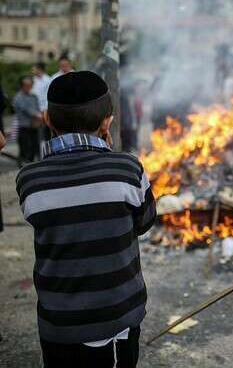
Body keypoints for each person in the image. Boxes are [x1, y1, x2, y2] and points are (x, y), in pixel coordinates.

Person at [15, 71, 156, 367]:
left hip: (58, 325)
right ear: (107, 121)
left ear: (47, 119)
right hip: (115, 323)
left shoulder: (29, 179)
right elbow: (143, 222)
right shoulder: (128, 169)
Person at [13, 76, 42, 165]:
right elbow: (29, 111)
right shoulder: (18, 97)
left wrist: (39, 120)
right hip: (24, 128)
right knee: (25, 151)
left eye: (30, 85)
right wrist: (40, 117)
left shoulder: (33, 96)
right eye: (27, 85)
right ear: (22, 86)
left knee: (36, 149)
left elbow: (38, 109)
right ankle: (23, 168)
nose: (29, 87)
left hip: (35, 127)